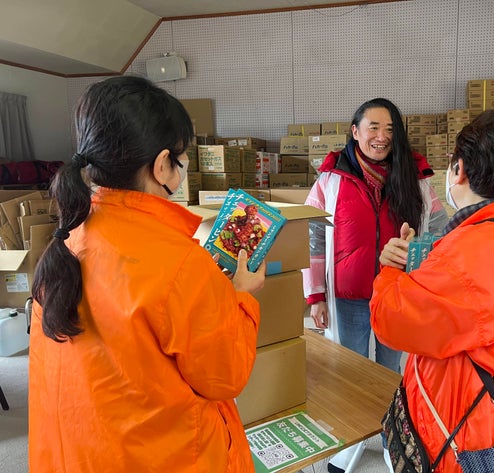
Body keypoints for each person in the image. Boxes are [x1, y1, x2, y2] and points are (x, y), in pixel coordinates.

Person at [28, 76, 266, 473]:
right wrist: (239, 294)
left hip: (76, 453)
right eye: (181, 157)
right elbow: (224, 378)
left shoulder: (65, 241)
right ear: (161, 165)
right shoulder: (180, 263)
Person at [371, 108, 494, 473]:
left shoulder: (471, 253)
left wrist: (391, 270)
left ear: (460, 170)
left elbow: (390, 321)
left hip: (460, 439)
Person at [302, 98, 448, 472]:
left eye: (389, 129)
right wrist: (316, 295)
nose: (382, 137)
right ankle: (344, 449)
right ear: (355, 131)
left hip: (397, 294)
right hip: (348, 296)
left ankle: (390, 442)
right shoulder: (332, 179)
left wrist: (422, 253)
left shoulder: (414, 178)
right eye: (373, 128)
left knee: (391, 373)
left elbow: (439, 230)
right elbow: (313, 239)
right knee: (348, 375)